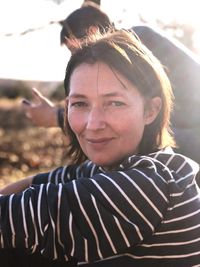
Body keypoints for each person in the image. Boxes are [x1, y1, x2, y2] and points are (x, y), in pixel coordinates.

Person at [1, 29, 200, 266]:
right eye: (80, 103)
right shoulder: (110, 167)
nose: (93, 124)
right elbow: (36, 183)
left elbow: (12, 216)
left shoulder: (146, 186)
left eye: (115, 103)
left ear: (150, 110)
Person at [22, 5, 200, 165]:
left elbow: (139, 115)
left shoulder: (133, 46)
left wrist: (56, 116)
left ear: (93, 33)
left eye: (74, 49)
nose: (77, 58)